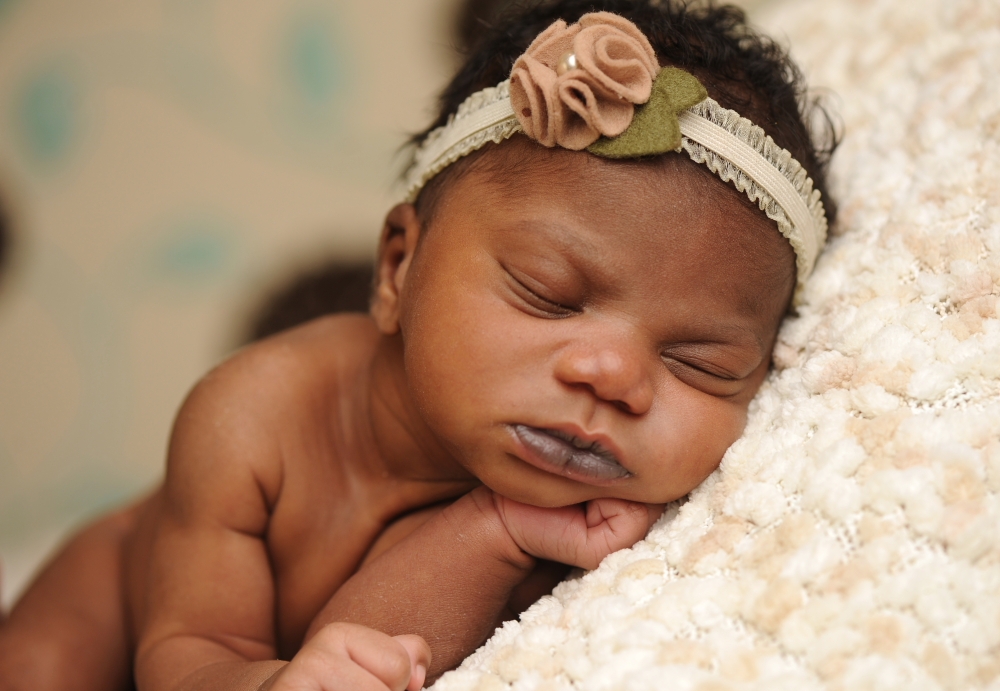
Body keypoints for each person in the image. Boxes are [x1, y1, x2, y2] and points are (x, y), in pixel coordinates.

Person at [0, 1, 837, 689]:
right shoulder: (252, 414)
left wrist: (495, 529)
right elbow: (186, 657)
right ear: (399, 266)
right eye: (547, 293)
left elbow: (379, 653)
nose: (613, 375)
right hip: (132, 608)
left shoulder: (587, 521)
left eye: (702, 362)